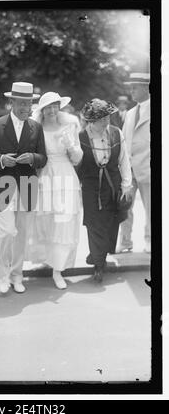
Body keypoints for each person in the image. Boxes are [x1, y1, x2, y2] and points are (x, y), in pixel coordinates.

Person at [0, 82, 47, 294]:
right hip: (3, 186)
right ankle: (3, 273)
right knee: (6, 231)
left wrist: (33, 158)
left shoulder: (36, 127)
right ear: (12, 103)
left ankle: (17, 275)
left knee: (22, 233)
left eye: (29, 103)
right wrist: (0, 159)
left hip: (28, 185)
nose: (26, 108)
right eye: (21, 103)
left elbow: (43, 158)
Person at [27, 92, 83, 289]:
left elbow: (77, 159)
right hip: (45, 177)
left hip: (66, 175)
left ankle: (58, 269)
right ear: (42, 110)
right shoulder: (35, 128)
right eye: (47, 107)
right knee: (46, 221)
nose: (51, 110)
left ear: (60, 106)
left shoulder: (69, 125)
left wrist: (70, 145)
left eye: (55, 106)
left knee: (64, 222)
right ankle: (47, 258)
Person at [78, 99, 132, 282]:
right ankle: (98, 264)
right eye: (101, 119)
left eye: (107, 118)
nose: (106, 122)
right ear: (91, 121)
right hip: (90, 187)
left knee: (111, 222)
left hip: (112, 184)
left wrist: (126, 185)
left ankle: (99, 255)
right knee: (94, 224)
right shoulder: (81, 137)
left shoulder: (116, 133)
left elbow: (124, 160)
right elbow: (77, 164)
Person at [117, 72, 151, 253]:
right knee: (125, 207)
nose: (131, 91)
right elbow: (124, 140)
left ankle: (150, 241)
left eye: (134, 87)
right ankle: (125, 241)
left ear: (147, 88)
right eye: (130, 87)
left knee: (151, 208)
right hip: (129, 170)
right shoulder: (130, 113)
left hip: (148, 168)